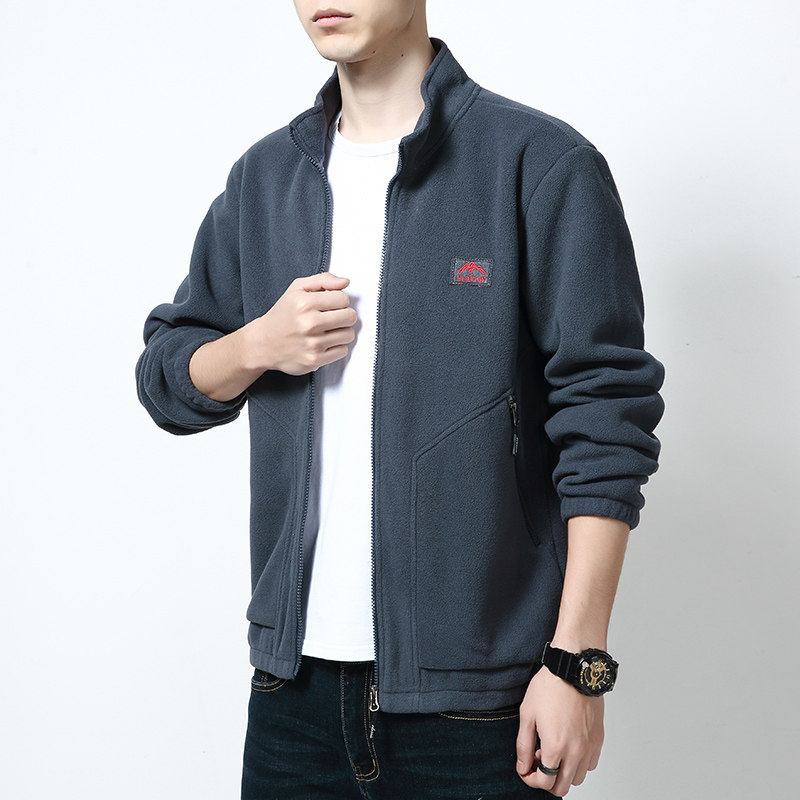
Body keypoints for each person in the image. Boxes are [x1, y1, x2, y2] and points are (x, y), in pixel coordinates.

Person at [135, 2, 664, 797]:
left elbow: (606, 420)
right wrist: (256, 345)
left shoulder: (538, 162)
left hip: (480, 706)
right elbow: (166, 379)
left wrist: (577, 665)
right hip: (291, 695)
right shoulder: (266, 179)